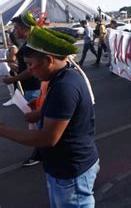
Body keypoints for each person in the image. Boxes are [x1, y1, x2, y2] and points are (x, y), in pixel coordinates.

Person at [0, 26, 99, 207]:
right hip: (63, 168)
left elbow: (47, 138)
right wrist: (39, 113)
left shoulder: (65, 87)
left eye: (30, 64)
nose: (29, 71)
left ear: (48, 60)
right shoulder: (61, 77)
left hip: (71, 172)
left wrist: (3, 130)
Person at [2, 13, 42, 166]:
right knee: (36, 124)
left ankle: (40, 154)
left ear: (26, 29)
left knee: (37, 125)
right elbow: (28, 67)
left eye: (17, 27)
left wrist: (12, 79)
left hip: (34, 89)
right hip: (31, 88)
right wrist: (16, 68)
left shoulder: (30, 46)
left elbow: (31, 70)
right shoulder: (27, 44)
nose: (14, 30)